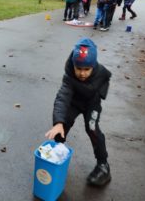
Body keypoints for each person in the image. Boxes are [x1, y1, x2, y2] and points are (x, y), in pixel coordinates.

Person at [45, 38, 112, 186]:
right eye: (78, 68)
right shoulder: (69, 77)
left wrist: (101, 93)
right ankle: (58, 152)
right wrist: (58, 122)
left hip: (92, 104)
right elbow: (62, 98)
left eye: (87, 69)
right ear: (73, 65)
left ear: (93, 66)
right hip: (74, 102)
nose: (82, 73)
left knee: (92, 128)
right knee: (62, 125)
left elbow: (107, 76)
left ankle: (103, 165)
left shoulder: (100, 71)